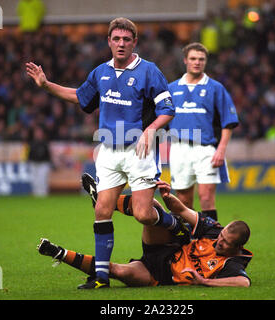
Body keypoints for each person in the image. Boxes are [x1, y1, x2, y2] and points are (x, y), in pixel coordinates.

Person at [26, 17, 175, 289]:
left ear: (134, 43)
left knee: (143, 214)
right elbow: (80, 97)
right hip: (107, 151)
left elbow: (167, 109)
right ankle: (102, 278)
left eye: (126, 40)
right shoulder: (100, 73)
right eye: (116, 39)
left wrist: (150, 129)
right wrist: (46, 84)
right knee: (102, 210)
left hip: (138, 152)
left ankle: (174, 223)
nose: (121, 44)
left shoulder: (149, 71)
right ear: (109, 41)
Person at [37, 175, 252, 288]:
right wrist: (169, 196)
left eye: (224, 243)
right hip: (170, 245)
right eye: (221, 237)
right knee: (153, 208)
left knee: (119, 271)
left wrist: (205, 282)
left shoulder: (232, 263)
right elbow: (182, 210)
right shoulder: (214, 231)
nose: (218, 242)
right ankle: (106, 201)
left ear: (237, 248)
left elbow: (243, 282)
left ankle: (58, 253)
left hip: (159, 274)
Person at [167, 43, 239, 221]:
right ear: (185, 60)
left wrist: (221, 149)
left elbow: (228, 122)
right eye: (193, 58)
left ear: (206, 62)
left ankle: (210, 243)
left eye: (201, 59)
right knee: (183, 201)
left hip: (205, 149)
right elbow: (161, 118)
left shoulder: (215, 88)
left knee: (206, 198)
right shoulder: (171, 88)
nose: (197, 62)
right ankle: (188, 243)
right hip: (178, 148)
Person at [28, 126, 52, 197]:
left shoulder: (45, 143)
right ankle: (36, 196)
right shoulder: (31, 143)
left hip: (43, 164)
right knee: (34, 181)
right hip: (34, 164)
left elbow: (48, 154)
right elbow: (29, 154)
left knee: (42, 181)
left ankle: (43, 195)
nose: (38, 134)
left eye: (39, 132)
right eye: (37, 132)